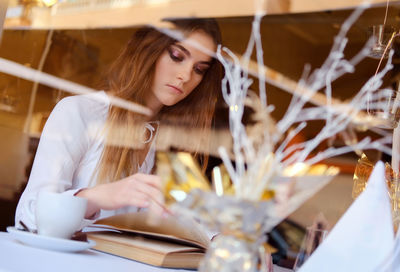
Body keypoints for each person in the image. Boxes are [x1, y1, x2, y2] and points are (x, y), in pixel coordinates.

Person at [15, 18, 223, 230]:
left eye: (199, 69)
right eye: (177, 56)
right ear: (149, 50)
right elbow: (27, 216)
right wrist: (96, 198)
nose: (185, 75)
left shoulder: (173, 139)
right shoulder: (80, 112)